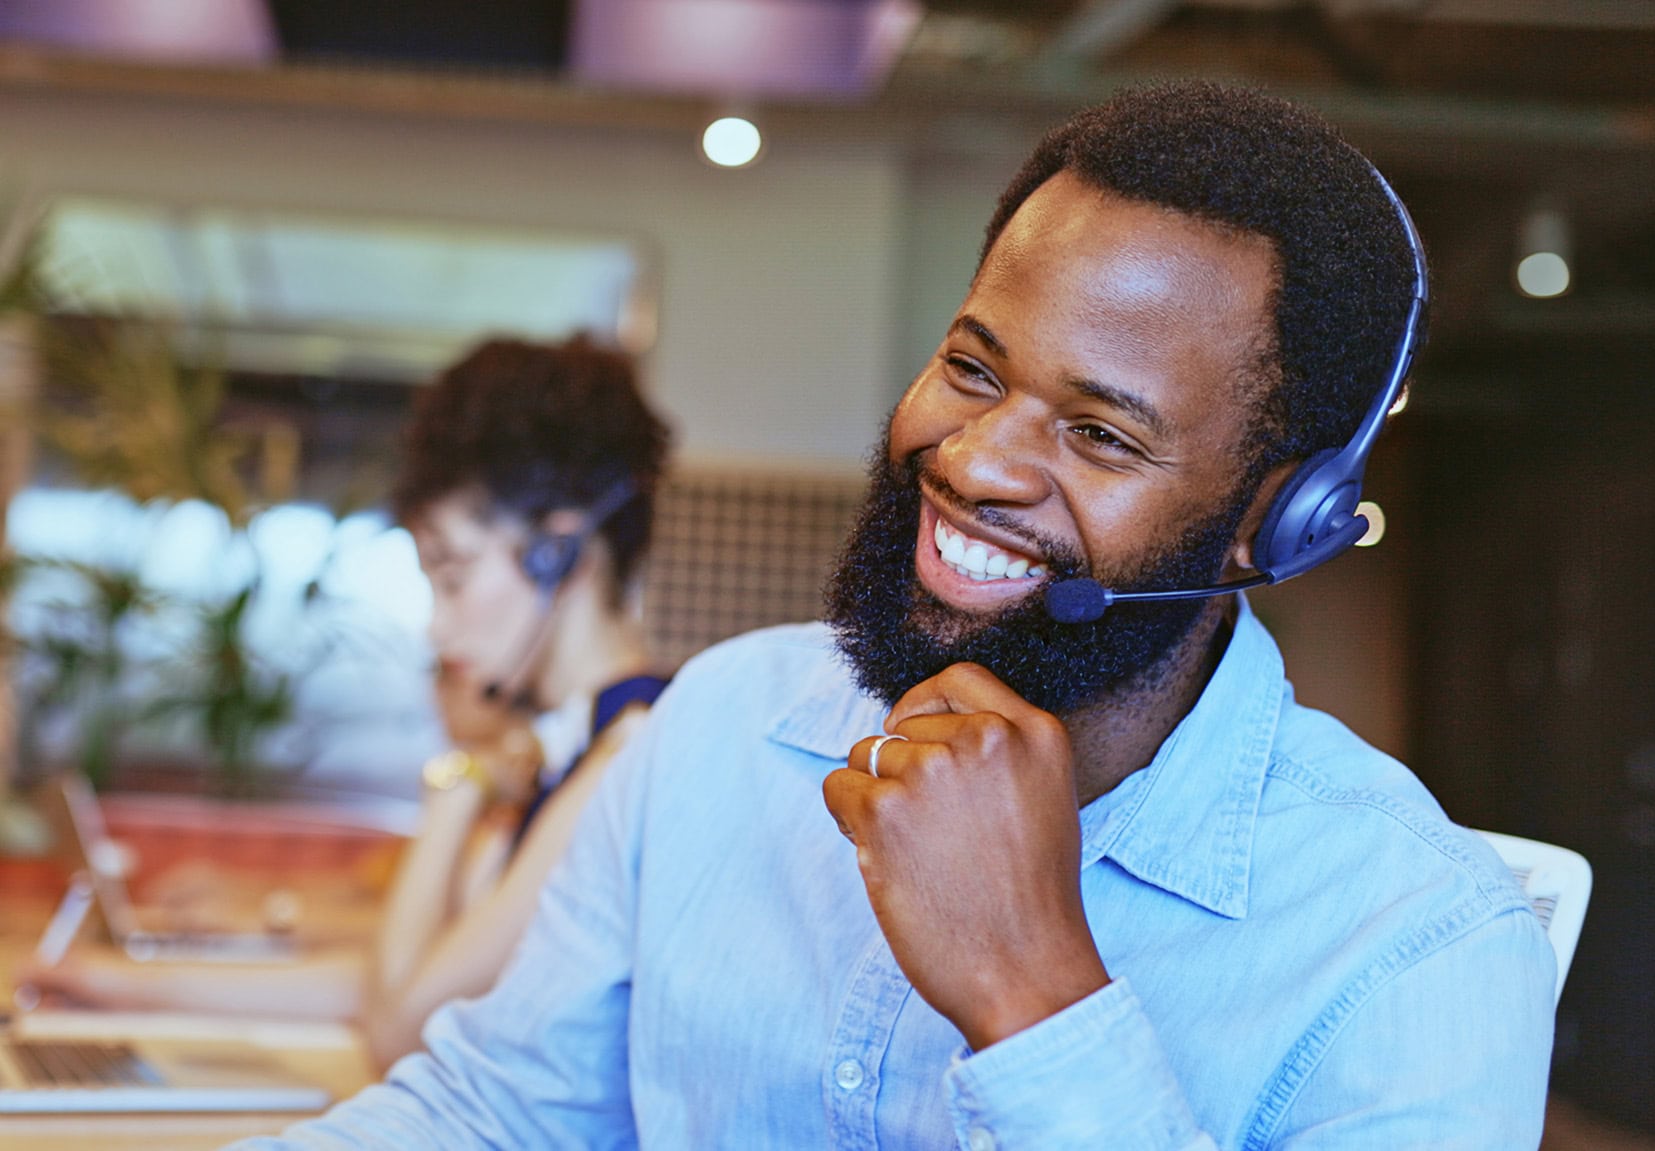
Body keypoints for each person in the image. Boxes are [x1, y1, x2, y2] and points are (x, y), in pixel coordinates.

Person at [239, 83, 1556, 1149]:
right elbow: (492, 1111)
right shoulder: (722, 724)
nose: (978, 459)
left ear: (1283, 521)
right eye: (974, 367)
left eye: (1099, 432)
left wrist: (1036, 996)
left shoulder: (1418, 942)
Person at [19, 336, 674, 1071]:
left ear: (560, 552)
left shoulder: (631, 749)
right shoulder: (575, 745)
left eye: (453, 575)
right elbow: (388, 974)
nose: (437, 623)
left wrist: (458, 784)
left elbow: (400, 1021)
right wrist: (125, 985)